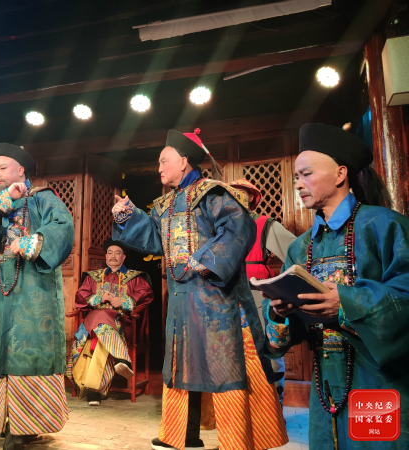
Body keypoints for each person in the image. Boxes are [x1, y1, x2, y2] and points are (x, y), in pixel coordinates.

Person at [112, 128, 288, 450]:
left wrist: (204, 261)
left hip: (218, 299)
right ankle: (181, 436)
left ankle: (236, 441)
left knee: (225, 366)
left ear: (183, 161)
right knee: (182, 363)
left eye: (164, 161)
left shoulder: (213, 193)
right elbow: (154, 238)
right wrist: (127, 216)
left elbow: (238, 227)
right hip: (182, 300)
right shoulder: (165, 204)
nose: (159, 168)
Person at [262, 123, 409, 449]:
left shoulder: (385, 226)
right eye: (296, 177)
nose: (298, 184)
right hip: (325, 390)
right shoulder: (300, 248)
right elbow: (280, 339)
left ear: (340, 174)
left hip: (377, 383)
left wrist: (345, 304)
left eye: (306, 174)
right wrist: (279, 312)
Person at [0, 142, 74, 450]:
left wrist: (32, 242)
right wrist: (2, 203)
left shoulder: (43, 198)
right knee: (2, 350)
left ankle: (25, 426)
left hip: (35, 291)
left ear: (21, 170)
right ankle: (4, 421)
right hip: (5, 292)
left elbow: (63, 226)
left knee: (28, 351)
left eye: (3, 168)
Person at [229, 178, 297, 406]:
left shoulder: (264, 224)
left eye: (239, 193)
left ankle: (273, 409)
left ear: (251, 198)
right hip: (226, 299)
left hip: (257, 296)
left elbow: (298, 253)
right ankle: (238, 413)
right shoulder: (219, 228)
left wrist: (281, 286)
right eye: (229, 194)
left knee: (266, 355)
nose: (233, 198)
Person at [67, 238, 154, 406]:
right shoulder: (94, 277)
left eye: (118, 253)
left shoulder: (134, 278)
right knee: (100, 320)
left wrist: (124, 301)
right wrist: (99, 298)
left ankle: (94, 392)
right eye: (110, 253)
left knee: (100, 333)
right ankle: (121, 358)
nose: (113, 256)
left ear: (124, 257)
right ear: (106, 256)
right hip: (95, 324)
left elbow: (146, 294)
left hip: (122, 324)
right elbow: (81, 295)